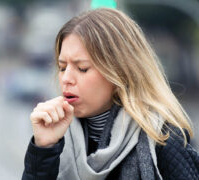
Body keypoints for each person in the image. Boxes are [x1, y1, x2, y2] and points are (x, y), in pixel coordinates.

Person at [22, 8, 199, 180]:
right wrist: (43, 149)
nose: (66, 78)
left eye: (82, 68)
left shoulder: (164, 139)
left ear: (119, 72)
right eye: (62, 67)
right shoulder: (55, 138)